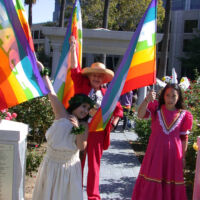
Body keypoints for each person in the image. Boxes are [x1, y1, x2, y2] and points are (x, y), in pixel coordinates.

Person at [69, 36, 123, 200]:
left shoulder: (107, 94)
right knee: (77, 163)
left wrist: (114, 123)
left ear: (103, 79)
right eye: (94, 75)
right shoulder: (81, 85)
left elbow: (119, 109)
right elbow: (74, 69)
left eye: (100, 76)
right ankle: (75, 193)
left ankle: (93, 196)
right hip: (79, 129)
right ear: (90, 76)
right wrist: (73, 48)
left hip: (98, 133)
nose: (97, 78)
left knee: (94, 166)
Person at [32, 61, 94, 200]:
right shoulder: (61, 114)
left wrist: (77, 128)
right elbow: (51, 93)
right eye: (83, 106)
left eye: (87, 109)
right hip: (51, 165)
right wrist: (43, 71)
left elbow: (81, 146)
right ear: (75, 105)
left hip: (69, 169)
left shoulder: (83, 125)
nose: (85, 111)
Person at [132, 83, 193, 200]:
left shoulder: (184, 115)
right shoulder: (156, 108)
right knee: (153, 179)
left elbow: (184, 138)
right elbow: (140, 115)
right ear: (163, 96)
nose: (170, 99)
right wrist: (146, 100)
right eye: (167, 95)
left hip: (173, 157)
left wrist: (183, 157)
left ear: (179, 97)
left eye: (173, 96)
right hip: (155, 155)